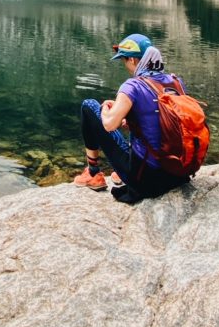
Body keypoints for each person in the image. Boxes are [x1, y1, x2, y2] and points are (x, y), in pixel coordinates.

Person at [73, 33, 189, 205]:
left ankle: (93, 173)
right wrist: (127, 113)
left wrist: (105, 108)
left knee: (89, 106)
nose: (125, 65)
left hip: (146, 181)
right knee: (135, 122)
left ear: (133, 61)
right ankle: (120, 173)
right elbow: (162, 121)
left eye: (124, 60)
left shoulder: (133, 86)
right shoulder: (175, 82)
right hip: (176, 174)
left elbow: (109, 125)